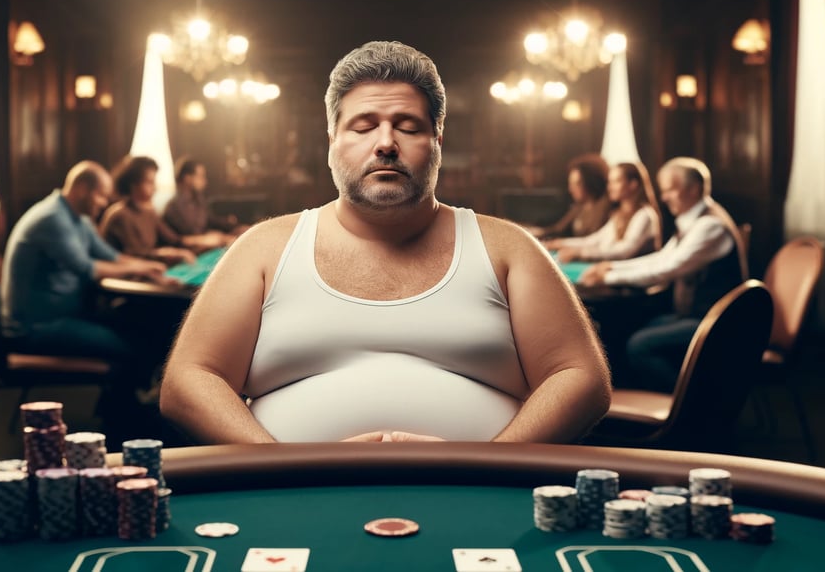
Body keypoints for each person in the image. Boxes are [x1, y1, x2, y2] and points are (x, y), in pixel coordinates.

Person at [160, 40, 611, 444]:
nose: (386, 143)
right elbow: (188, 381)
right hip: (294, 497)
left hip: (478, 498)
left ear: (437, 139)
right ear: (332, 140)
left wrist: (482, 461)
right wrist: (289, 464)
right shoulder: (263, 248)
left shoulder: (509, 249)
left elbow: (580, 378)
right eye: (363, 126)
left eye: (408, 126)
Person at [578, 156, 747, 392]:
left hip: (715, 322)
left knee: (639, 345)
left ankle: (692, 403)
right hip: (694, 314)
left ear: (694, 189)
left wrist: (607, 277)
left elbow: (667, 269)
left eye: (670, 190)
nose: (664, 197)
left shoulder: (710, 226)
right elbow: (661, 259)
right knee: (628, 327)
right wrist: (612, 267)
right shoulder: (694, 221)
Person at [0, 160, 168, 363]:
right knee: (128, 345)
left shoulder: (80, 217)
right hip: (35, 327)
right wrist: (145, 271)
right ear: (81, 189)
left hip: (68, 314)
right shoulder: (53, 218)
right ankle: (123, 394)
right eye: (101, 195)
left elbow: (109, 255)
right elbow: (89, 269)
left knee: (140, 325)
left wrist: (148, 267)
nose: (105, 203)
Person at [99, 155, 231, 267]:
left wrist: (208, 241)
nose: (154, 187)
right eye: (149, 182)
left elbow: (174, 240)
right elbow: (136, 254)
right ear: (133, 184)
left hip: (146, 270)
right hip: (123, 283)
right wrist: (171, 253)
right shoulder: (120, 214)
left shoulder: (149, 212)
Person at [545, 161, 662, 263]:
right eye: (609, 182)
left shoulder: (645, 215)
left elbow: (625, 251)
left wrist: (580, 253)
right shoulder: (618, 215)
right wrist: (561, 243)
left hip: (636, 285)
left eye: (616, 181)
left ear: (633, 184)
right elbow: (595, 240)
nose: (610, 187)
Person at [527, 153, 612, 239]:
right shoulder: (579, 206)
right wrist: (531, 232)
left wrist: (561, 244)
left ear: (591, 181)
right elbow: (558, 229)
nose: (571, 189)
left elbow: (593, 241)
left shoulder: (604, 207)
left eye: (577, 184)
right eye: (571, 184)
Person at [163, 156, 250, 237]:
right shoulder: (173, 207)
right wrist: (217, 236)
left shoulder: (198, 199)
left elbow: (210, 220)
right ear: (187, 178)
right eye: (200, 176)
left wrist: (232, 226)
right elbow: (192, 232)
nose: (205, 181)